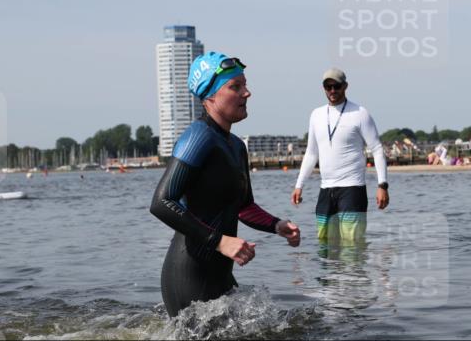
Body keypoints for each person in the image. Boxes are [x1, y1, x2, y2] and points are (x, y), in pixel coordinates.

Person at [150, 52, 301, 317]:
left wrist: (276, 225)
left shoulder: (236, 146)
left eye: (245, 85)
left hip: (220, 273)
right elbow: (161, 202)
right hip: (190, 274)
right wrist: (219, 241)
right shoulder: (198, 137)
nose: (247, 93)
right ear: (209, 96)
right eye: (235, 87)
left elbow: (244, 206)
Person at [291, 68, 389, 244]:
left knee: (352, 247)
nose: (332, 91)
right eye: (328, 87)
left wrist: (382, 185)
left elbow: (377, 149)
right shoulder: (316, 115)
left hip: (352, 189)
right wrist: (299, 185)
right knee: (324, 245)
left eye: (336, 86)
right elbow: (311, 153)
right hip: (326, 190)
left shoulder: (360, 113)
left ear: (345, 86)